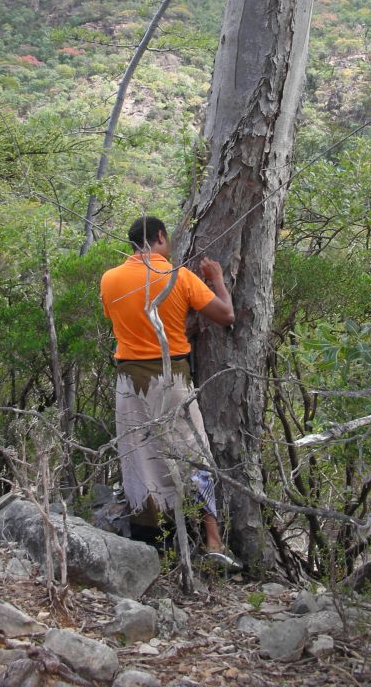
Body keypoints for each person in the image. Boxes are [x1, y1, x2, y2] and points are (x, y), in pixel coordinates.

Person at [100, 215, 238, 565]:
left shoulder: (109, 279)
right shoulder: (180, 277)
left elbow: (125, 321)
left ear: (132, 243)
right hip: (172, 377)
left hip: (128, 380)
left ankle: (151, 543)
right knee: (195, 452)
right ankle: (212, 540)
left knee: (139, 456)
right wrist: (218, 280)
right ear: (160, 236)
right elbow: (226, 315)